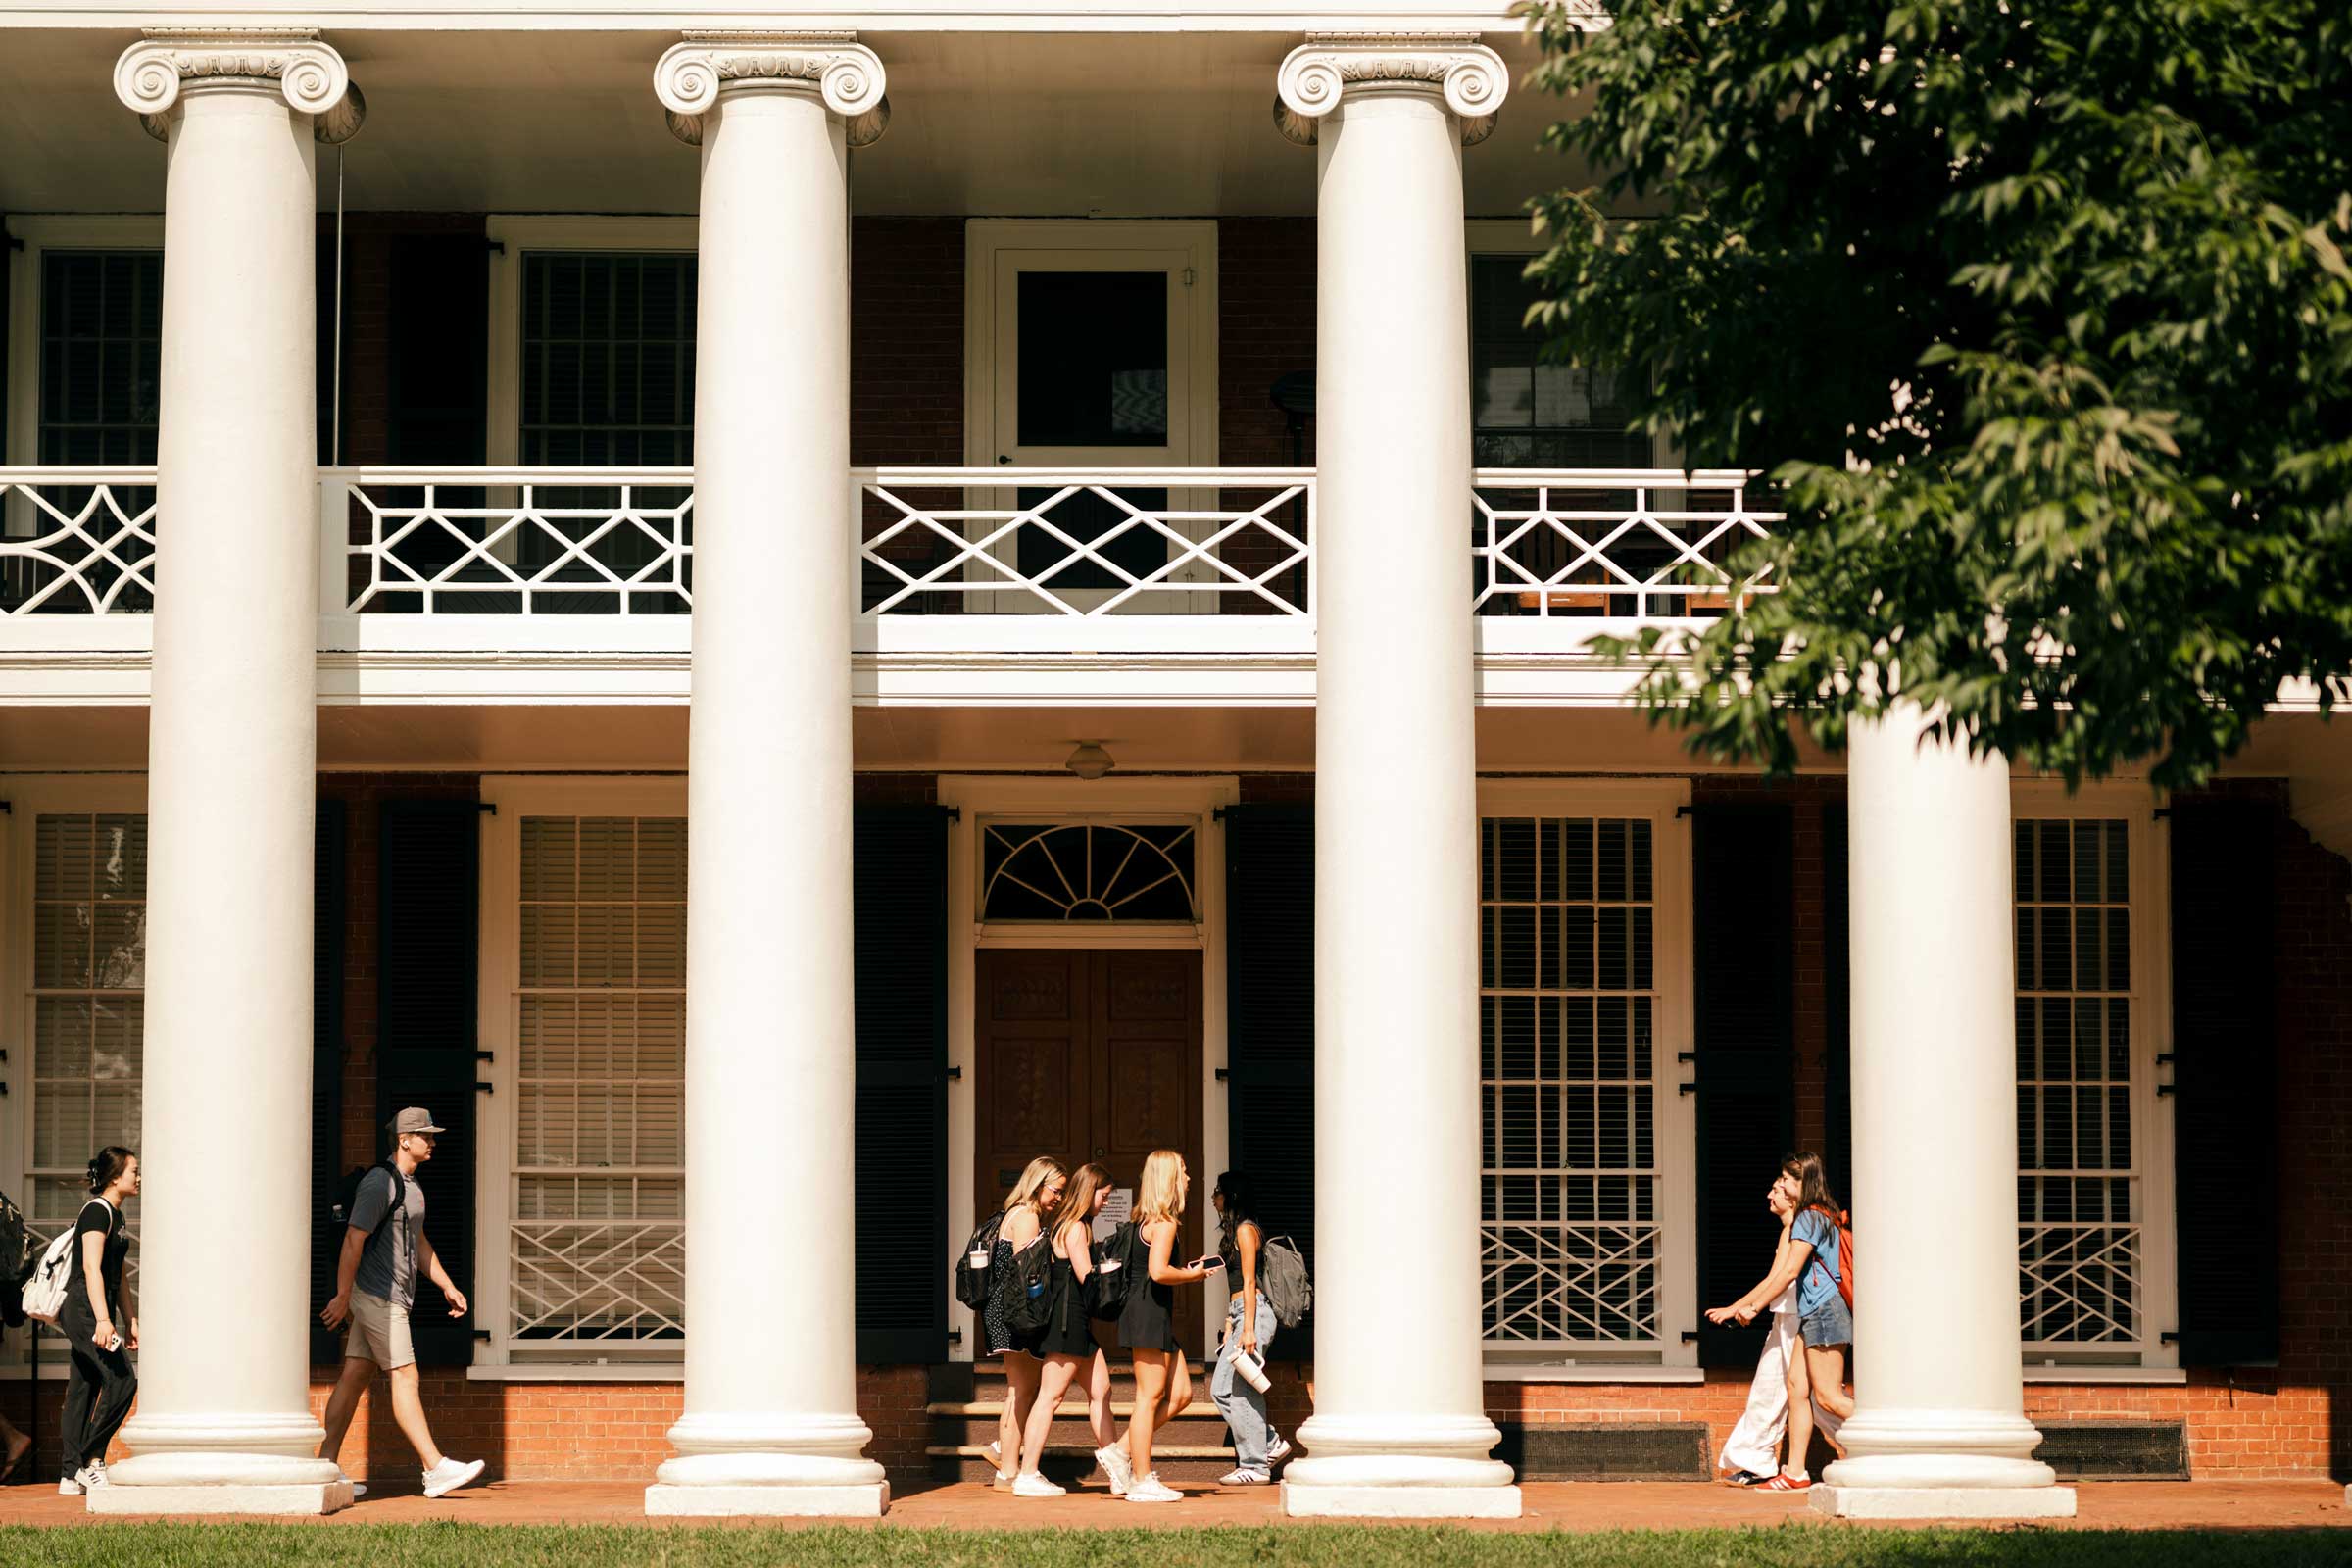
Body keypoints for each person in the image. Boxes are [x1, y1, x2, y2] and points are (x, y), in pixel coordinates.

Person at [317, 1108, 485, 1499]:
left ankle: (324, 1467)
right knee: (406, 1376)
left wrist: (447, 1285)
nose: (433, 1142)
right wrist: (343, 1296)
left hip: (391, 1295)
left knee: (355, 1376)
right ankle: (435, 1467)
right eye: (425, 1135)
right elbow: (353, 1239)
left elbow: (419, 1244)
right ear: (404, 1139)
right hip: (378, 1296)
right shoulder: (380, 1183)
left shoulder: (412, 1187)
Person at [1705, 1152, 1855, 1492]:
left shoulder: (1807, 1219)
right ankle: (1796, 1472)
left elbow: (1788, 1272)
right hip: (1813, 1312)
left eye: (1786, 1180)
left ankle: (1885, 1439)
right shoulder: (1819, 1216)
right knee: (1796, 1389)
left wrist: (1752, 1308)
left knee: (1829, 1398)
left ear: (1803, 1184)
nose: (1781, 1186)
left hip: (1823, 1312)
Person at [1007, 1161, 1131, 1497]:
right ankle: (1027, 1474)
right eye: (1103, 1196)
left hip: (1075, 1325)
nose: (1105, 1202)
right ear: (1089, 1192)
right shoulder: (1074, 1228)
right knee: (1050, 1397)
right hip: (1067, 1325)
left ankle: (1119, 1472)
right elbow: (1085, 1278)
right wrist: (1114, 1275)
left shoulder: (1071, 1225)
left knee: (1102, 1391)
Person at [1119, 1149, 1216, 1504]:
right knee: (1148, 1398)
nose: (1189, 1179)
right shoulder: (1165, 1223)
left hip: (1148, 1312)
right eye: (1184, 1172)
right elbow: (1158, 1271)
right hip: (1148, 1312)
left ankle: (1120, 1450)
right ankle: (1142, 1478)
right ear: (1169, 1179)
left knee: (1182, 1394)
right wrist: (1193, 1275)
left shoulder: (1142, 1221)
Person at [57, 1147, 138, 1496]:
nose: (139, 1177)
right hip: (83, 1310)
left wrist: (130, 1319)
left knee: (83, 1387)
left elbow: (119, 1275)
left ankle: (67, 1473)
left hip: (97, 1310)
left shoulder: (117, 1218)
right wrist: (103, 1321)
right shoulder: (96, 1212)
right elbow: (91, 1267)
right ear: (115, 1177)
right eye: (134, 1171)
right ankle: (89, 1459)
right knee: (122, 1379)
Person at [983, 1156, 1064, 1488]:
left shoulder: (1012, 1212)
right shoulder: (1028, 1216)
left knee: (1020, 1388)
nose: (1059, 1197)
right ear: (1038, 1184)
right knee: (1022, 1388)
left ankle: (1005, 1460)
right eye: (1056, 1190)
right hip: (1015, 1313)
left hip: (1002, 1310)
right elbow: (1028, 1272)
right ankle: (1009, 1470)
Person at [1207, 1171, 1292, 1486]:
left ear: (1231, 1196)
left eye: (1218, 1191)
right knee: (1222, 1390)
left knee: (1241, 1390)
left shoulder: (1245, 1231)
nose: (1213, 1197)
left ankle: (1256, 1464)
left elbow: (1248, 1282)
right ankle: (1268, 1443)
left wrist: (1249, 1328)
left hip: (1253, 1312)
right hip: (1241, 1313)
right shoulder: (1233, 1234)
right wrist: (1231, 1323)